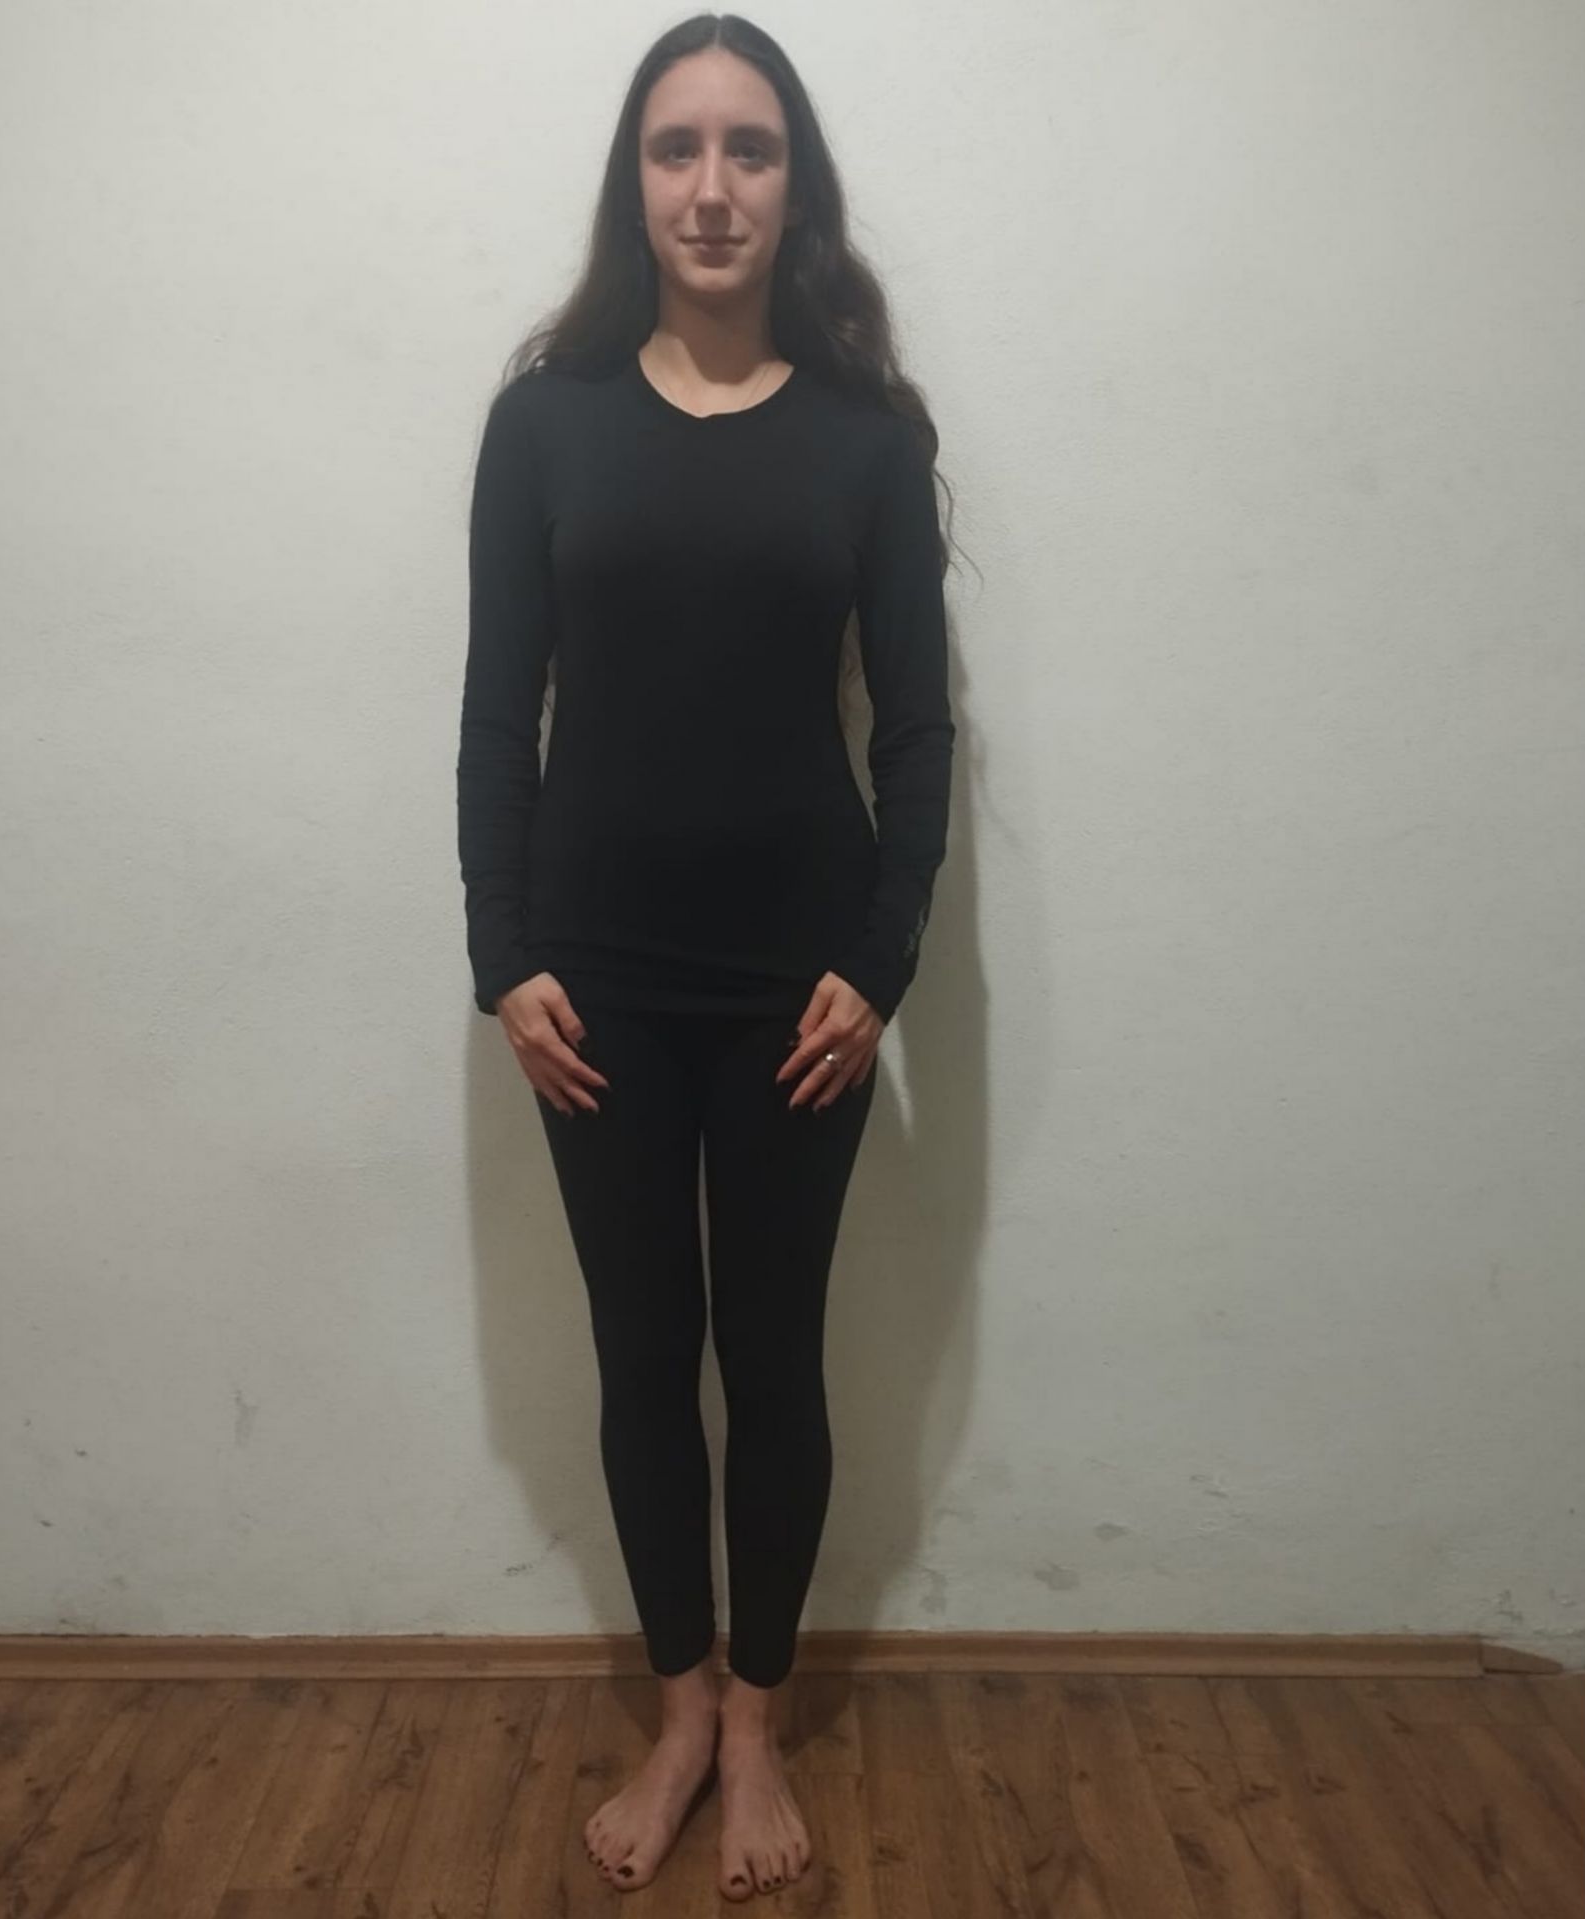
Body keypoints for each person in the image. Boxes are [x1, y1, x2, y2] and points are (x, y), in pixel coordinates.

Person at [457, 13, 957, 1902]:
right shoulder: (545, 423)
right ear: (635, 181)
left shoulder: (868, 438)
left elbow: (919, 733)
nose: (714, 186)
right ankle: (678, 1711)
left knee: (776, 1356)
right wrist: (501, 955)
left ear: (794, 186)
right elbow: (497, 714)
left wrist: (882, 962)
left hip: (795, 997)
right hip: (590, 988)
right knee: (642, 1356)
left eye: (752, 149)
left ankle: (758, 1720)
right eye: (678, 148)